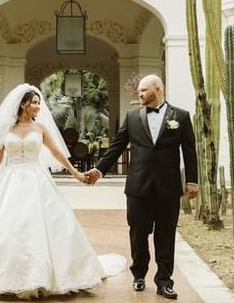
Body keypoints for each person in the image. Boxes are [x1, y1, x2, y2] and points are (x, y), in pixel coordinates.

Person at [0, 83, 125, 299]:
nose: (38, 107)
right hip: (10, 180)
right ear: (23, 105)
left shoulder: (40, 129)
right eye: (34, 103)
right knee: (7, 227)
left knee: (40, 224)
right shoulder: (7, 129)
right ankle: (4, 274)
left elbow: (59, 154)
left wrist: (76, 174)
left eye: (38, 103)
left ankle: (45, 274)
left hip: (36, 180)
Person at [83, 74, 198, 300]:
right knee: (138, 233)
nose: (140, 94)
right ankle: (139, 274)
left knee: (165, 236)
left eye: (144, 90)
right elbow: (116, 147)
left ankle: (164, 281)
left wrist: (192, 180)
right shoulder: (133, 117)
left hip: (168, 188)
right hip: (138, 187)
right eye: (139, 91)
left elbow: (189, 151)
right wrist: (98, 170)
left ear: (158, 89)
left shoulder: (181, 117)